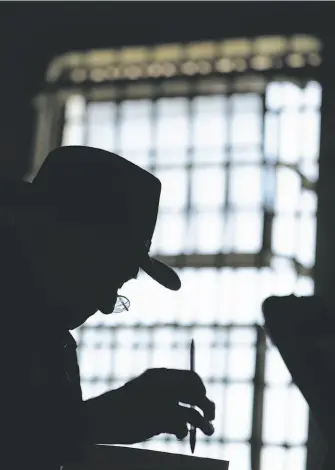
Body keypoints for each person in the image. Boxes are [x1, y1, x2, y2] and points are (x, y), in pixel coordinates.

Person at [0, 146, 215, 470]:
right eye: (103, 278)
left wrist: (104, 419)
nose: (103, 305)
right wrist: (101, 419)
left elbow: (37, 444)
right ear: (56, 237)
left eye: (116, 288)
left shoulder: (53, 341)